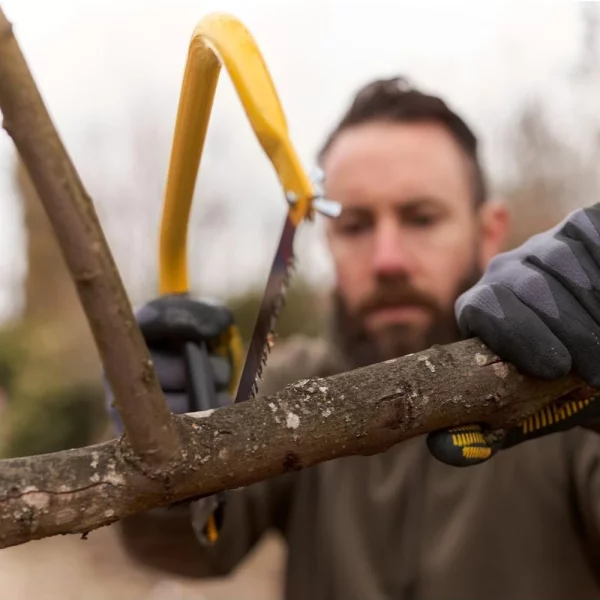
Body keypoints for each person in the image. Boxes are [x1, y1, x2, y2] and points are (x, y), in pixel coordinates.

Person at [106, 76, 600, 599]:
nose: (387, 259)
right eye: (357, 226)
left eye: (421, 218)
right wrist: (164, 462)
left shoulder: (565, 385)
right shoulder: (288, 390)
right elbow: (190, 545)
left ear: (489, 230)